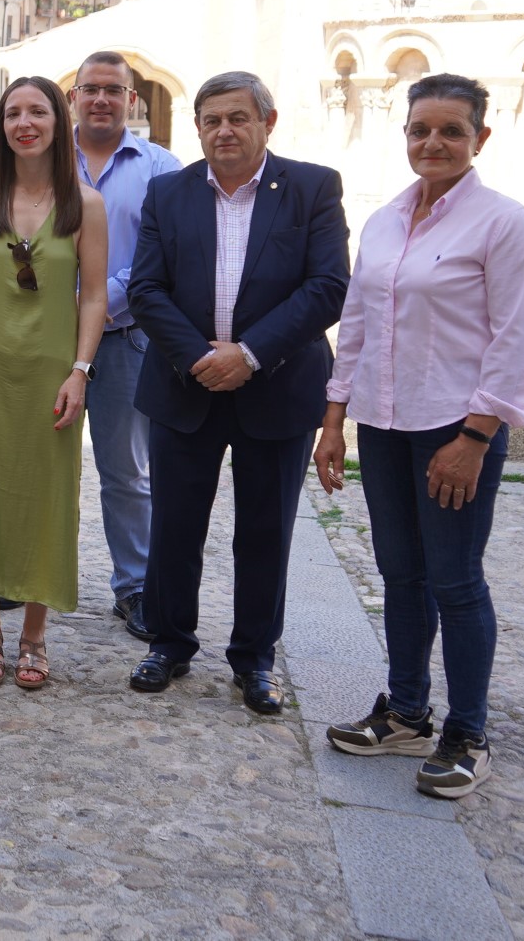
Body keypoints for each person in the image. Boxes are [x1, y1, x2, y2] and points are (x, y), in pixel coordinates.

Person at [315, 74, 524, 798]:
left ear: (480, 137)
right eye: (420, 130)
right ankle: (407, 711)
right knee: (399, 572)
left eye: (450, 130)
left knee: (456, 580)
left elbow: (516, 338)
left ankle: (467, 733)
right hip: (384, 423)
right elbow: (355, 326)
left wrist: (477, 435)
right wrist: (334, 417)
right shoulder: (384, 221)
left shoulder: (504, 224)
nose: (433, 143)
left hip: (455, 428)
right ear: (406, 135)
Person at [127, 70, 349, 713]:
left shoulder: (311, 188)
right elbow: (145, 289)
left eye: (237, 117)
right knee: (173, 525)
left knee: (265, 530)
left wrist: (248, 356)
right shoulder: (167, 193)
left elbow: (328, 285)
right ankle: (168, 644)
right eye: (211, 120)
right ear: (196, 128)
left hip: (276, 385)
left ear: (267, 122)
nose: (223, 130)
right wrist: (202, 358)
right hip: (184, 383)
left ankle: (254, 659)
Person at [0, 76, 107, 690]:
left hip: (52, 374)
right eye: (13, 113)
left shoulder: (84, 204)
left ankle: (34, 634)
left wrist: (81, 371)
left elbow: (94, 298)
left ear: (60, 124)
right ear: (1, 126)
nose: (24, 122)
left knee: (47, 496)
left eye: (38, 111)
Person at [70, 52, 181, 640]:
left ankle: (135, 586)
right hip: (46, 343)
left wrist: (94, 304)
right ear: (75, 97)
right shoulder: (40, 157)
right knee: (40, 463)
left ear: (132, 100)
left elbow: (165, 257)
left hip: (125, 341)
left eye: (114, 90)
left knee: (127, 472)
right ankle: (27, 574)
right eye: (91, 89)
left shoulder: (162, 168)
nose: (102, 100)